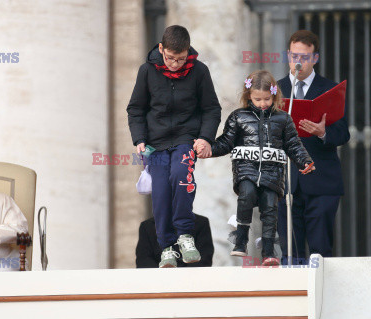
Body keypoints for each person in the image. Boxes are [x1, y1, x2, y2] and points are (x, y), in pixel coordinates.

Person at [127, 25, 221, 268]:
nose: (175, 64)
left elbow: (211, 108)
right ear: (161, 49)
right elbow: (136, 109)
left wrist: (205, 138)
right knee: (160, 191)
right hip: (155, 145)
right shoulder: (147, 71)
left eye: (180, 59)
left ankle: (185, 236)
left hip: (185, 139)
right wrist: (139, 140)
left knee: (181, 176)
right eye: (170, 58)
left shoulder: (199, 71)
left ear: (188, 52)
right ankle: (166, 246)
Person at [199, 70, 314, 266]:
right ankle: (241, 238)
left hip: (272, 174)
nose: (263, 103)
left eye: (267, 99)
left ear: (274, 95)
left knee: (270, 208)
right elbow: (226, 142)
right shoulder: (238, 117)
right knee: (247, 195)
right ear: (248, 96)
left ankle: (269, 252)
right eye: (257, 99)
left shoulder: (283, 119)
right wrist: (209, 149)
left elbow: (293, 144)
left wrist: (304, 161)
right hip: (246, 171)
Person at [277, 30, 350, 263]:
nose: (299, 62)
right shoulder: (273, 91)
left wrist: (323, 132)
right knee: (290, 252)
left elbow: (344, 133)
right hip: (285, 182)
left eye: (305, 57)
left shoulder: (330, 89)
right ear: (288, 55)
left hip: (321, 181)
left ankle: (321, 298)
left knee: (320, 251)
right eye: (294, 56)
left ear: (315, 58)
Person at [136, 213, 214, 268]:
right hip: (158, 282)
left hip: (192, 281)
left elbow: (205, 256)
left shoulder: (201, 223)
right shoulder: (147, 226)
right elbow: (143, 259)